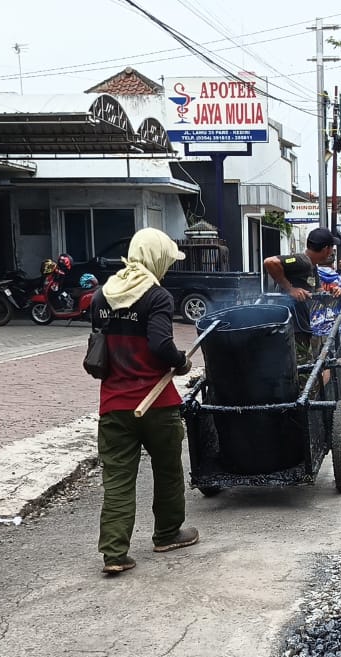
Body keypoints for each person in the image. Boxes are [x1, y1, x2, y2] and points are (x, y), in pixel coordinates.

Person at [91, 228, 199, 576]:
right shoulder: (157, 296)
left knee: (118, 479)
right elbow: (159, 345)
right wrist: (181, 361)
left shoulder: (101, 297)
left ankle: (114, 553)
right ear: (156, 257)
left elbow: (100, 351)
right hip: (156, 402)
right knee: (167, 470)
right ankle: (167, 534)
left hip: (113, 404)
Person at [262, 227, 341, 387]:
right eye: (331, 247)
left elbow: (318, 292)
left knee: (310, 370)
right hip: (292, 327)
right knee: (305, 377)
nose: (332, 251)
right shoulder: (301, 261)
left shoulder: (312, 267)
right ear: (326, 249)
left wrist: (333, 291)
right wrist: (290, 288)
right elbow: (270, 262)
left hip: (303, 326)